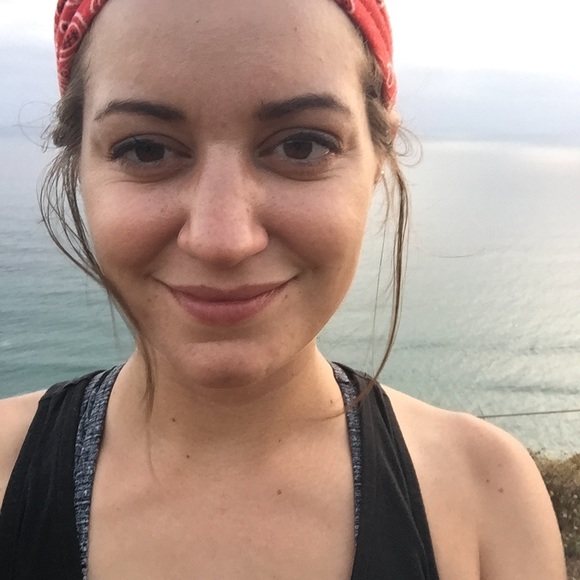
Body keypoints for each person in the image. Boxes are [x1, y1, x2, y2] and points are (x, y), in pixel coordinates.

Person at [0, 0, 566, 578]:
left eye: (302, 146)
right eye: (145, 149)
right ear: (78, 162)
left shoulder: (490, 499)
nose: (223, 240)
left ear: (378, 156)